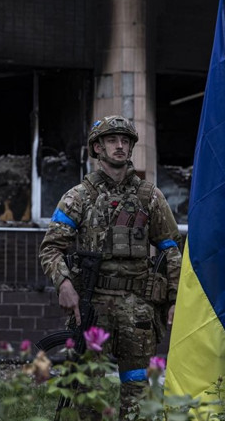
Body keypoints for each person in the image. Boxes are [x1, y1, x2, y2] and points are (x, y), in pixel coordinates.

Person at [39, 115, 182, 417]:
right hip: (93, 305)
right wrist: (64, 284)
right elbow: (51, 248)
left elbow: (171, 249)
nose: (120, 145)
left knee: (137, 389)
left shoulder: (150, 196)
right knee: (86, 388)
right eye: (112, 140)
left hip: (138, 306)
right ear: (97, 147)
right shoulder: (78, 197)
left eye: (125, 140)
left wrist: (174, 299)